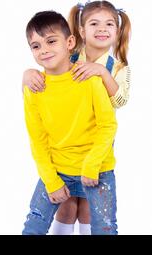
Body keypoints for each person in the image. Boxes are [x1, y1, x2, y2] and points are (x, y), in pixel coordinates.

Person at [22, 1, 131, 235]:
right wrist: (27, 74)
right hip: (61, 161)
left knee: (93, 218)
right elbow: (37, 136)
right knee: (65, 210)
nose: (101, 29)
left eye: (109, 24)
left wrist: (101, 72)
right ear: (80, 33)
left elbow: (119, 104)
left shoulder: (116, 69)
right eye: (94, 23)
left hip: (96, 155)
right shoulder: (68, 62)